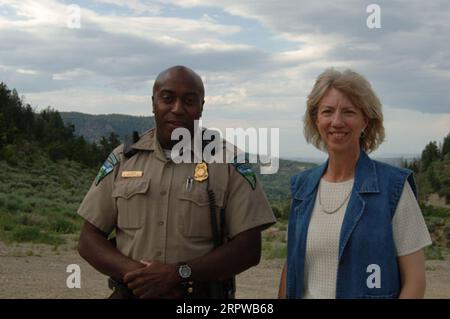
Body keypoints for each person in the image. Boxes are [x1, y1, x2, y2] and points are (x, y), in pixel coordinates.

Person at [77, 65, 276, 299]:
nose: (177, 109)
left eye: (189, 100)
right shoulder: (124, 158)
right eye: (168, 98)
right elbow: (88, 239)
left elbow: (249, 249)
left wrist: (178, 273)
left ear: (201, 108)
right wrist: (140, 275)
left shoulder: (227, 161)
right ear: (153, 103)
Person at [278, 68, 432, 299]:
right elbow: (291, 269)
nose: (337, 122)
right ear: (315, 119)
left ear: (365, 121)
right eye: (327, 111)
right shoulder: (302, 188)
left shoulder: (394, 187)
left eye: (349, 112)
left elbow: (415, 282)